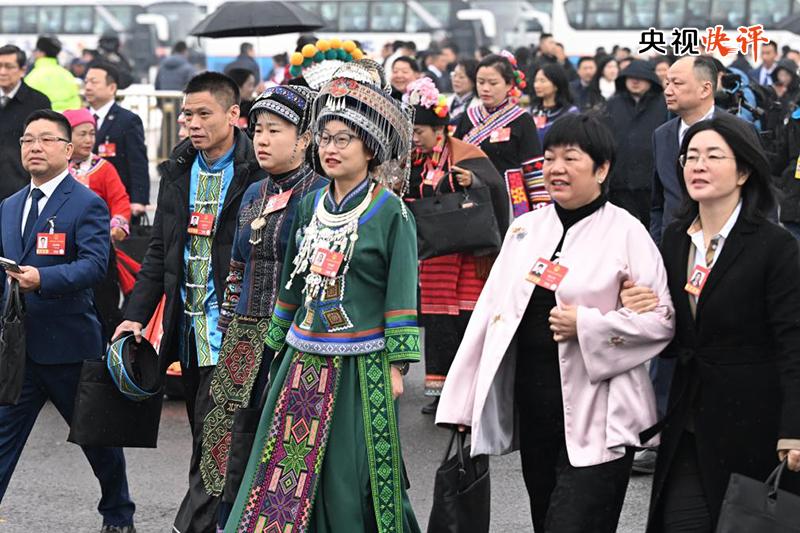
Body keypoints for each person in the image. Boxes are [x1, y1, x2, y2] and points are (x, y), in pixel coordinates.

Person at [436, 113, 675, 533]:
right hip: (537, 413)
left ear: (601, 169)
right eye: (549, 159)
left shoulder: (627, 232)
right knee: (545, 517)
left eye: (571, 158)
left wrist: (588, 325)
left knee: (575, 521)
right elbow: (489, 319)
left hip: (602, 416)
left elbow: (660, 321)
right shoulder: (526, 229)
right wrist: (464, 402)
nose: (556, 169)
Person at [225, 60, 421, 533]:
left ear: (370, 147)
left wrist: (397, 366)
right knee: (283, 466)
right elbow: (293, 279)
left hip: (363, 363)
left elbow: (401, 290)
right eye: (325, 138)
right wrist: (275, 341)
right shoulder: (311, 203)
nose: (330, 149)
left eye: (343, 139)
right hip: (303, 355)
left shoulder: (391, 212)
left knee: (349, 472)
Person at [620, 113, 800, 532]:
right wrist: (642, 306)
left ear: (743, 172)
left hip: (754, 422)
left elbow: (794, 342)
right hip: (688, 417)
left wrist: (794, 428)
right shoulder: (676, 238)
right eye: (691, 157)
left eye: (713, 156)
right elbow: (673, 329)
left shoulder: (775, 246)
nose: (698, 166)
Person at [114, 71, 260, 533]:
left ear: (233, 115)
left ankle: (193, 525)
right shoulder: (178, 170)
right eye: (186, 115)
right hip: (190, 332)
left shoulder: (257, 171)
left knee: (219, 442)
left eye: (203, 114)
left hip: (237, 332)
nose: (192, 124)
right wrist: (135, 316)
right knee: (207, 440)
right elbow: (160, 250)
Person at [0, 109, 135, 533]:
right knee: (2, 438)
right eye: (27, 140)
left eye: (46, 139)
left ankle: (118, 514)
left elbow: (95, 266)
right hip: (18, 348)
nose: (34, 148)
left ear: (68, 148)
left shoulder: (85, 203)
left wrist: (43, 280)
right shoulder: (9, 206)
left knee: (98, 440)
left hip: (70, 346)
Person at [202, 84, 328, 526]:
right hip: (242, 335)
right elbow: (237, 266)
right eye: (257, 130)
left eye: (275, 130)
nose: (262, 139)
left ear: (305, 139)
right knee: (230, 438)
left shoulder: (321, 195)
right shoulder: (254, 192)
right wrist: (228, 327)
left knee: (284, 442)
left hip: (294, 338)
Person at [402, 76, 508, 414]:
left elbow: (494, 189)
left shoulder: (466, 155)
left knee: (467, 320)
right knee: (437, 323)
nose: (415, 137)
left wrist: (472, 180)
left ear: (439, 130)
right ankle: (442, 392)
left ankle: (471, 391)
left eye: (420, 131)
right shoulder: (411, 159)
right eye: (412, 131)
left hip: (467, 255)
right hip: (434, 255)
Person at [63, 108, 131, 340]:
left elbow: (120, 200)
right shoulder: (58, 169)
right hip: (63, 248)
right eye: (82, 134)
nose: (89, 140)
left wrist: (118, 225)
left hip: (98, 246)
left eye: (92, 134)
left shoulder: (104, 169)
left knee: (103, 303)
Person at [454, 52, 548, 219]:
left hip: (511, 196)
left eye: (493, 83)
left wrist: (541, 209)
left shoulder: (521, 120)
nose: (485, 88)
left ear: (509, 84)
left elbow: (533, 169)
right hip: (473, 196)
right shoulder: (468, 116)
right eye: (480, 82)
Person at [604, 59, 669, 227]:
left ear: (651, 80)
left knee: (652, 228)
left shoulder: (664, 105)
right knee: (620, 228)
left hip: (652, 182)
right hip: (620, 182)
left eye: (640, 78)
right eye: (631, 77)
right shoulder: (613, 104)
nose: (635, 81)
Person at [84, 62, 150, 219]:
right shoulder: (80, 118)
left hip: (116, 201)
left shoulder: (127, 120)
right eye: (86, 82)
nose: (88, 87)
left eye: (94, 82)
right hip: (84, 198)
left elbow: (137, 162)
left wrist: (138, 200)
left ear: (112, 88)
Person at [0, 44, 51, 201]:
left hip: (21, 188)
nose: (3, 72)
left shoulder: (38, 102)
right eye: (0, 66)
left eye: (9, 67)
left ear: (23, 70)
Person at [24, 36, 81, 112]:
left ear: (41, 53)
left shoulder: (32, 77)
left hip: (43, 117)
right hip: (68, 117)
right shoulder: (67, 75)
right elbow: (76, 101)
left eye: (36, 50)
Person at [530, 63, 578, 145]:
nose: (537, 85)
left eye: (542, 81)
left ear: (556, 84)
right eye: (536, 81)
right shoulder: (531, 111)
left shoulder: (570, 113)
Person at [448, 57, 478, 126]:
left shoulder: (478, 105)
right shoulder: (446, 101)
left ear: (473, 81)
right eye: (454, 75)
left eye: (461, 77)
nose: (456, 80)